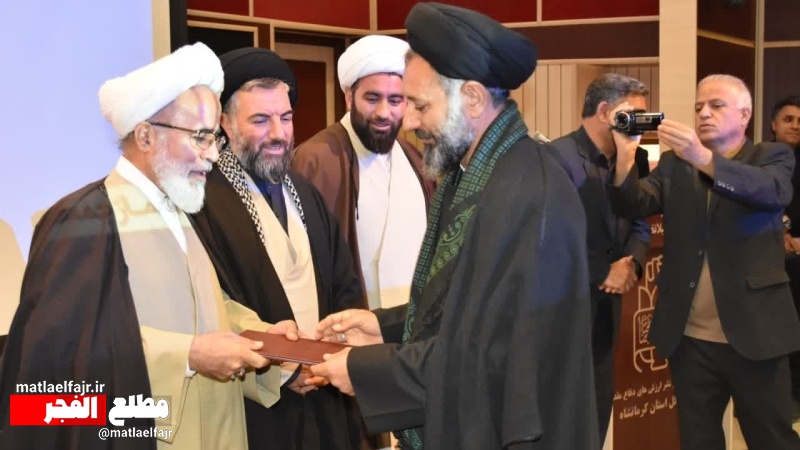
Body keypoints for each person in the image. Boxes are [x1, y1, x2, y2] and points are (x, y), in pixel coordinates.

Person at [310, 3, 598, 450]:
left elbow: (498, 357)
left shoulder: (532, 194)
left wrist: (366, 371)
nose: (408, 122)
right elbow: (464, 310)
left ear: (473, 99)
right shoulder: (471, 174)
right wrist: (384, 328)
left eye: (420, 105)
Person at [0, 43, 296, 450]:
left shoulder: (183, 208)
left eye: (214, 139)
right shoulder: (82, 221)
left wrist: (262, 337)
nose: (212, 155)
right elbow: (58, 362)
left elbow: (207, 308)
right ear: (145, 135)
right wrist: (186, 356)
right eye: (200, 137)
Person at [609, 74, 800, 450]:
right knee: (698, 440)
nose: (704, 114)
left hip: (755, 333)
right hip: (690, 338)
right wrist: (625, 156)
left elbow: (771, 192)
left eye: (716, 106)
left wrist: (702, 157)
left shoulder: (771, 157)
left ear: (744, 115)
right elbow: (634, 204)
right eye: (698, 107)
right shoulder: (673, 165)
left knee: (771, 438)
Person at [190, 47, 367, 450]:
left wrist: (336, 353)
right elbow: (211, 308)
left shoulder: (305, 192)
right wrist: (282, 370)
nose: (278, 133)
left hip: (325, 393)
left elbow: (344, 283)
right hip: (258, 409)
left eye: (285, 118)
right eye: (260, 120)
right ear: (225, 123)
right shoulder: (203, 201)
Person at [545, 73, 651, 444]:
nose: (639, 123)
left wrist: (631, 264)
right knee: (561, 418)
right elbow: (549, 235)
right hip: (564, 308)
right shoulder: (555, 157)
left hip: (607, 312)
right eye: (632, 114)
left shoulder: (634, 158)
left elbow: (640, 221)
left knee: (597, 412)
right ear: (605, 111)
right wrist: (602, 271)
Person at [292, 34, 434, 311]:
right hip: (348, 322)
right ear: (349, 97)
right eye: (372, 98)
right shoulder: (315, 160)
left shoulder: (416, 159)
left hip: (411, 322)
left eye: (395, 100)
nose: (383, 112)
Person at [772, 95, 800, 416]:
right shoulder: (759, 161)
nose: (795, 126)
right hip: (769, 259)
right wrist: (780, 230)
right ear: (773, 124)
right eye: (788, 119)